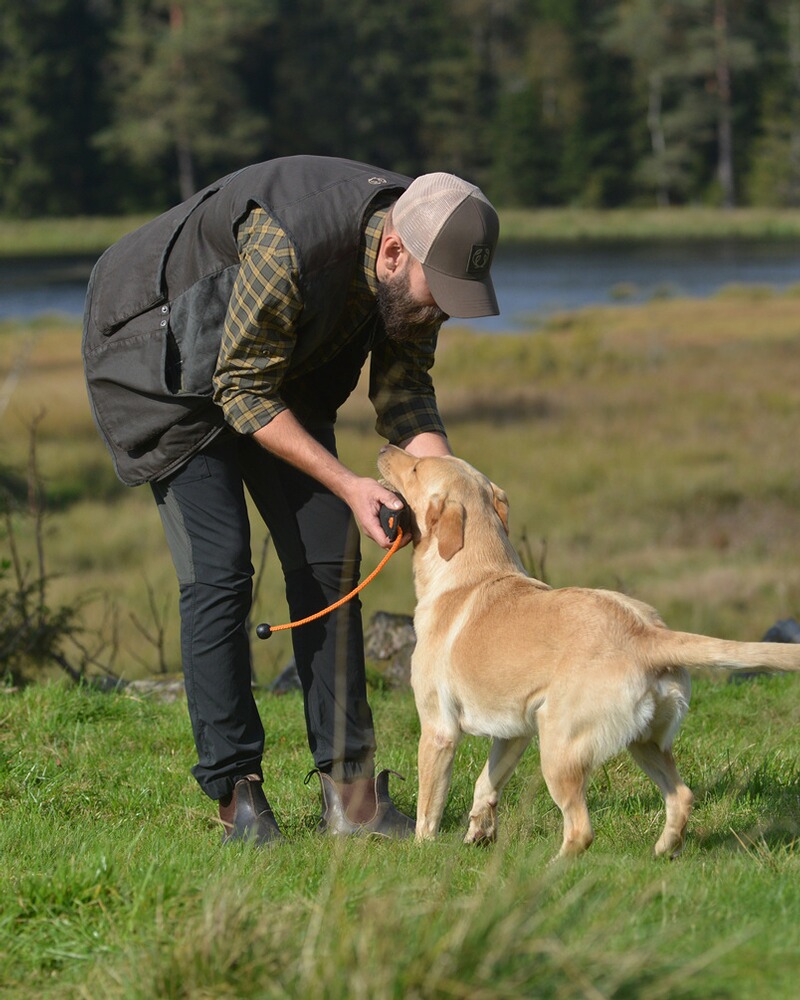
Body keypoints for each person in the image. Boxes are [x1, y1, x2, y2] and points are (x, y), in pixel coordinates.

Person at [82, 155, 499, 844]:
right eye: (439, 292)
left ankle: (353, 800)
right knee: (221, 570)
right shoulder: (288, 241)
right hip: (157, 356)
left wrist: (455, 499)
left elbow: (405, 396)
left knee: (328, 549)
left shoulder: (422, 267)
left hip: (272, 366)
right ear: (393, 251)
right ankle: (238, 800)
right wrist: (350, 481)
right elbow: (240, 391)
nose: (442, 309)